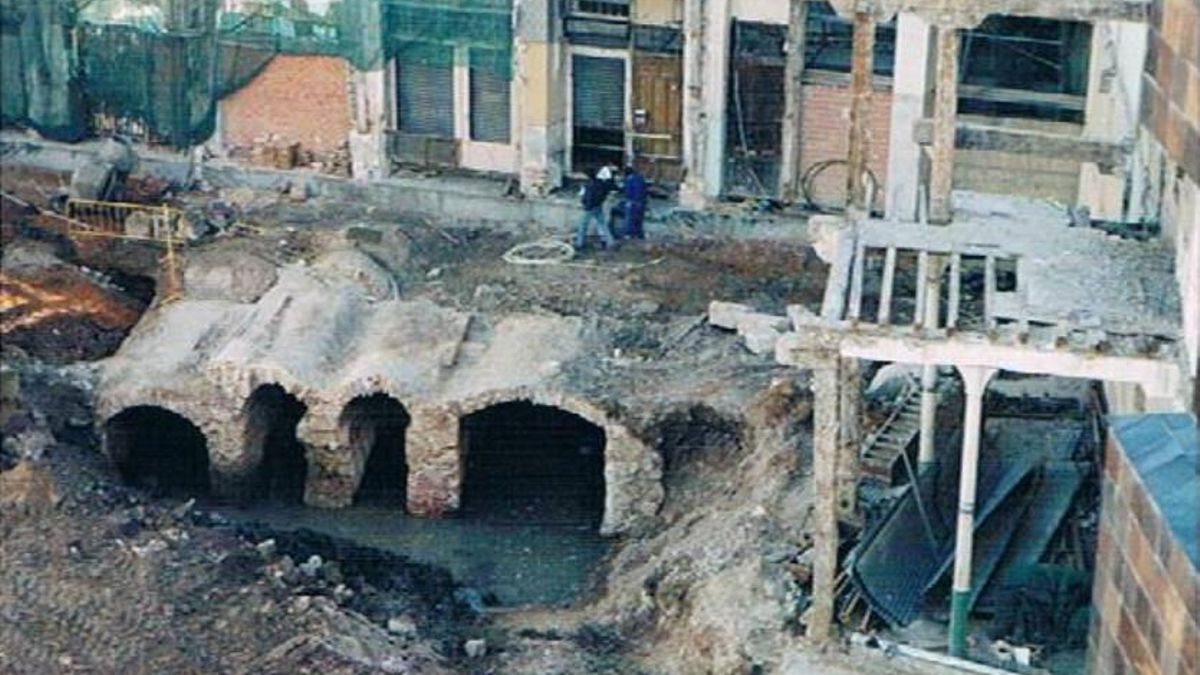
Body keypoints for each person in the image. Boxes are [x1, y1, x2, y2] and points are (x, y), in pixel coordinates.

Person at [574, 167, 616, 250]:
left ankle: (579, 243)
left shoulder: (589, 185)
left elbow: (588, 197)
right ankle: (609, 242)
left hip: (589, 208)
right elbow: (605, 193)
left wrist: (585, 205)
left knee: (582, 226)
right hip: (597, 206)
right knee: (602, 225)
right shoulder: (600, 183)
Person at [620, 164, 648, 239]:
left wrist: (626, 200)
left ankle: (629, 234)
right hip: (642, 202)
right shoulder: (640, 178)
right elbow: (645, 190)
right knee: (639, 219)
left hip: (633, 201)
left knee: (630, 219)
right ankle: (639, 234)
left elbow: (628, 192)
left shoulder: (629, 180)